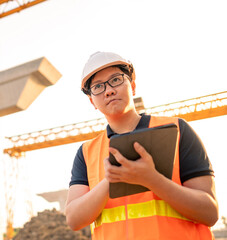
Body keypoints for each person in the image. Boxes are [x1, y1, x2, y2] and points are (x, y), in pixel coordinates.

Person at [65, 51, 218, 239]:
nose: (109, 90)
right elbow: (74, 219)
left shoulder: (177, 130)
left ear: (133, 86)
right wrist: (111, 180)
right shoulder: (87, 153)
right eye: (98, 87)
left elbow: (209, 212)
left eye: (116, 80)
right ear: (92, 101)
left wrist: (152, 180)